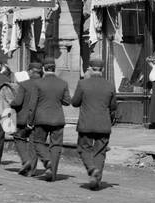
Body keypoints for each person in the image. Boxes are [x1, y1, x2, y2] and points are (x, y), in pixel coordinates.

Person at [71, 58, 117, 190]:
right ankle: (96, 179)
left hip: (86, 123)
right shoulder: (110, 85)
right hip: (103, 124)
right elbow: (113, 106)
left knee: (83, 148)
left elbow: (75, 102)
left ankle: (91, 169)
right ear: (102, 70)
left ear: (90, 69)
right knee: (100, 151)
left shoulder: (83, 84)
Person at [30, 60, 71, 181]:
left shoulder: (38, 83)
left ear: (43, 68)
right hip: (57, 119)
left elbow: (33, 104)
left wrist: (29, 121)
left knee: (38, 142)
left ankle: (46, 160)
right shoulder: (63, 83)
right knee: (56, 145)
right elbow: (67, 101)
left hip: (41, 119)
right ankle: (52, 173)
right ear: (54, 68)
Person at [10, 62, 43, 175]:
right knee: (34, 143)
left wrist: (10, 103)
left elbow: (18, 102)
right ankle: (32, 170)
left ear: (30, 71)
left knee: (19, 138)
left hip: (23, 118)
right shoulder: (44, 84)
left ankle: (26, 160)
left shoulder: (25, 84)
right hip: (39, 119)